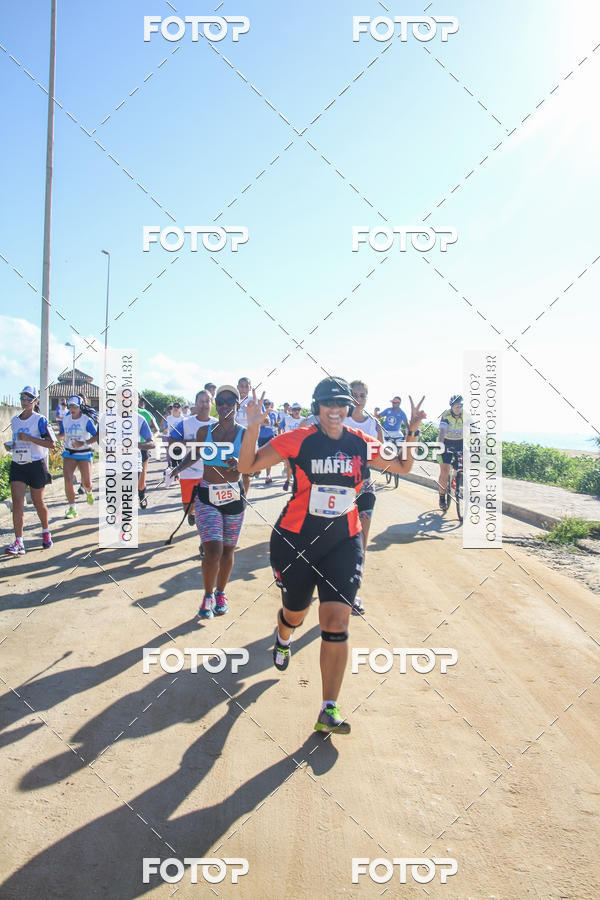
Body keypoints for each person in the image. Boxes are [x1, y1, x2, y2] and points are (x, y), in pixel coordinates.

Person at [239, 377, 426, 735]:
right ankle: (283, 636)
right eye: (329, 404)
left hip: (344, 540)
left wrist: (412, 431)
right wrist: (252, 428)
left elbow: (402, 467)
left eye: (342, 404)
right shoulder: (299, 439)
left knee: (337, 622)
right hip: (296, 540)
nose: (336, 410)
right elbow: (247, 467)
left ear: (350, 407)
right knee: (296, 612)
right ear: (317, 407)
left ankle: (329, 708)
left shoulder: (361, 443)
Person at [170, 385, 247, 620]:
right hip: (207, 497)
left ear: (237, 405)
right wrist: (177, 469)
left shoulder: (245, 434)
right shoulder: (205, 432)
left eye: (229, 402)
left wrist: (240, 464)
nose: (224, 406)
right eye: (220, 401)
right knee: (213, 551)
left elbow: (252, 466)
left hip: (233, 496)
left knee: (228, 552)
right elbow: (194, 454)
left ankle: (221, 592)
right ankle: (207, 595)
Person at [344, 380, 384, 615]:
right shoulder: (339, 418)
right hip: (339, 488)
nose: (359, 399)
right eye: (355, 394)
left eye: (362, 395)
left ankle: (352, 593)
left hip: (365, 486)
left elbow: (380, 454)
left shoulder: (373, 423)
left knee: (360, 543)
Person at [4, 387, 56, 555]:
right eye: (22, 397)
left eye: (28, 398)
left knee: (37, 502)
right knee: (17, 503)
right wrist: (10, 446)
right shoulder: (15, 420)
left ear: (35, 401)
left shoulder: (40, 420)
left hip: (36, 464)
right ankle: (19, 541)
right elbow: (17, 441)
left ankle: (46, 531)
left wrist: (30, 439)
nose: (24, 401)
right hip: (18, 464)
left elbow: (51, 443)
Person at [169, 389, 216, 524]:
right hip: (188, 471)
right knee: (187, 507)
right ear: (195, 403)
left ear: (211, 404)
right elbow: (172, 443)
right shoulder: (185, 423)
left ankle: (205, 531)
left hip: (209, 473)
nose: (204, 404)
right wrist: (193, 442)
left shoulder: (216, 423)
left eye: (207, 401)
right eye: (201, 401)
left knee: (209, 506)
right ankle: (192, 513)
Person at [61, 396, 98, 518]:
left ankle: (89, 491)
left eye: (75, 406)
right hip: (69, 453)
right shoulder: (65, 419)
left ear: (80, 407)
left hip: (84, 453)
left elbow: (97, 435)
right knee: (67, 479)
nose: (72, 409)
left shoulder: (86, 420)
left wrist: (84, 443)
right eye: (70, 406)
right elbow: (62, 433)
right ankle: (72, 508)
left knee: (86, 482)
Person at [438, 394, 464, 511]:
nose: (458, 408)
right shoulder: (446, 415)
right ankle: (442, 497)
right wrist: (441, 445)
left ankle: (456, 478)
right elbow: (442, 432)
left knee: (465, 463)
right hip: (447, 442)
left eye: (460, 405)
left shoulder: (466, 415)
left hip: (460, 443)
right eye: (456, 406)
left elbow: (473, 431)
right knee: (444, 470)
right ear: (451, 407)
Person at [138, 398, 159, 508]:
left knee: (141, 481)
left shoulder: (143, 414)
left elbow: (156, 430)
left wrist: (151, 439)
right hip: (120, 453)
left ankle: (141, 495)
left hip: (142, 449)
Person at [280, 402, 303, 491]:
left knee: (298, 466)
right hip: (288, 446)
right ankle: (288, 480)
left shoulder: (304, 420)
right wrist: (280, 437)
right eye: (294, 409)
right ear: (291, 410)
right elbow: (279, 427)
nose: (297, 411)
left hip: (300, 446)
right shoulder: (286, 419)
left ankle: (294, 483)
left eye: (298, 409)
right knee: (289, 466)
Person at [258, 400, 279, 485]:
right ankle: (257, 469)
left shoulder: (274, 414)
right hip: (260, 437)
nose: (267, 406)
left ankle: (268, 475)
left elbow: (274, 423)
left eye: (268, 404)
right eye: (265, 404)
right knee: (259, 456)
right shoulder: (260, 414)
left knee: (269, 457)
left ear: (271, 405)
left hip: (270, 437)